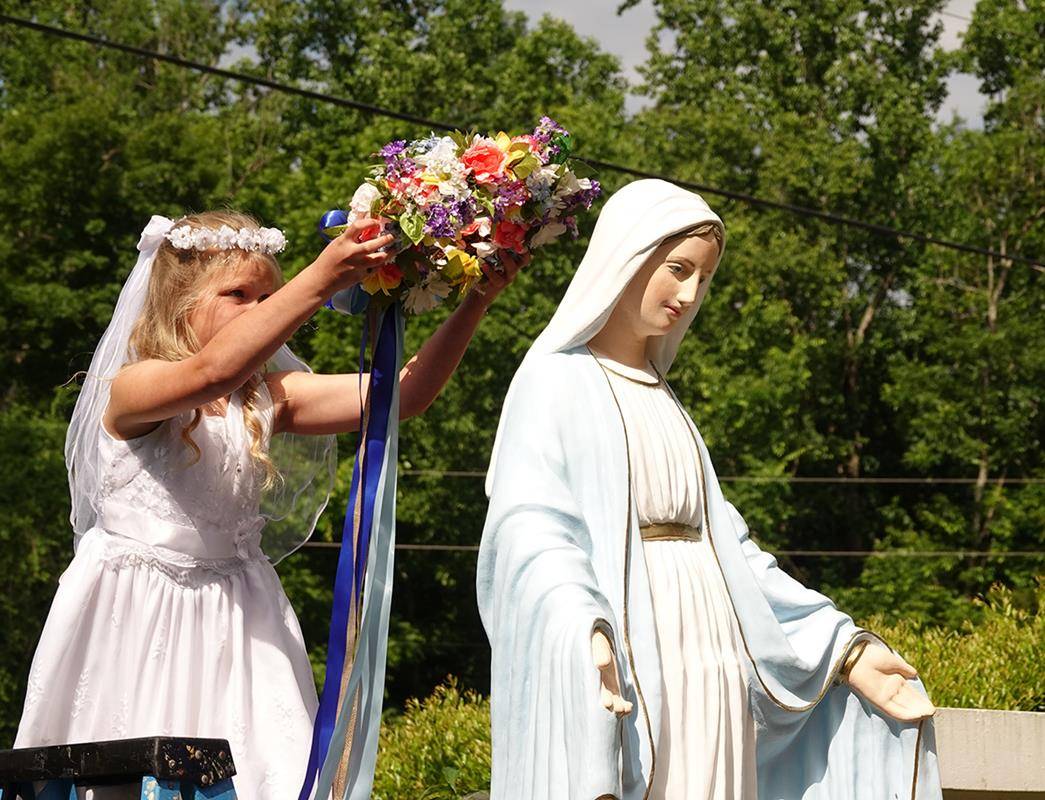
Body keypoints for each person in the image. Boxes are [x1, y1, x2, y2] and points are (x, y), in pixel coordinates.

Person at [16, 210, 521, 799]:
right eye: (238, 295)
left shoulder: (267, 399)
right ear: (180, 304)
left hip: (239, 615)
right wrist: (323, 277)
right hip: (139, 609)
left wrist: (476, 301)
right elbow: (212, 371)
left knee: (267, 773)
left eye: (268, 297)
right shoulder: (134, 387)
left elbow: (402, 396)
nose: (261, 310)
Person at [477, 179, 941, 800]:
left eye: (705, 278)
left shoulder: (666, 400)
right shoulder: (555, 379)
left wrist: (842, 649)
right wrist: (579, 625)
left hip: (713, 646)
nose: (690, 294)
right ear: (626, 255)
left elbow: (732, 550)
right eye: (678, 269)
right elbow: (530, 524)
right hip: (634, 644)